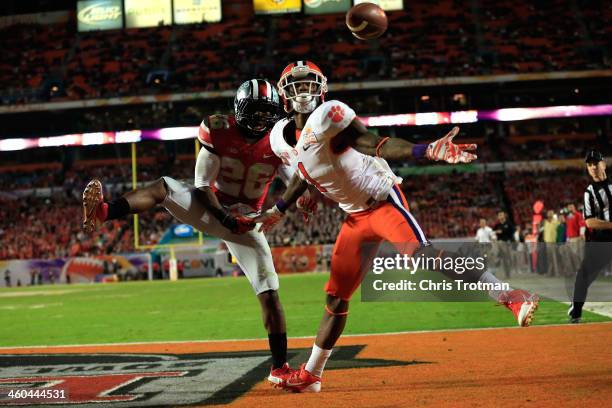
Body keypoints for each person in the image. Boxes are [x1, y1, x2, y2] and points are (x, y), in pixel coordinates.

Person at [256, 61, 538, 392]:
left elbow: (373, 143)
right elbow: (302, 170)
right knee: (336, 298)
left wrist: (426, 150)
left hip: (381, 199)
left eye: (308, 84)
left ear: (321, 88)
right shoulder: (278, 138)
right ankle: (312, 374)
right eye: (295, 85)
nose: (302, 91)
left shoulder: (329, 114)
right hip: (353, 217)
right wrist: (282, 206)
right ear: (284, 95)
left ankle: (510, 294)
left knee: (421, 255)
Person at [82, 79, 305, 383]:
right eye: (255, 112)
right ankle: (105, 211)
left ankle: (279, 368)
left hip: (249, 221)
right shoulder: (218, 129)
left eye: (267, 113)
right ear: (239, 110)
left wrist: (296, 200)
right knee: (164, 187)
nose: (261, 120)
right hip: (213, 208)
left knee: (269, 292)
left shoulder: (279, 139)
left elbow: (295, 179)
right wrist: (226, 219)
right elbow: (202, 186)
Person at [568, 150, 612, 323]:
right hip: (602, 239)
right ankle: (576, 311)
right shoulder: (589, 192)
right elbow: (590, 222)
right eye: (589, 164)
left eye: (596, 163)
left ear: (604, 164)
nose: (593, 167)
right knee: (584, 275)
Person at [493, 211, 515, 278]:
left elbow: (512, 232)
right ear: (498, 217)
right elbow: (493, 232)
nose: (500, 216)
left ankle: (508, 273)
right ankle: (498, 261)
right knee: (501, 258)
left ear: (504, 216)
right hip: (499, 243)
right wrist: (497, 232)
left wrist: (510, 240)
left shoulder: (508, 223)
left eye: (501, 215)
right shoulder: (497, 225)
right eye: (499, 215)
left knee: (508, 259)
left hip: (507, 243)